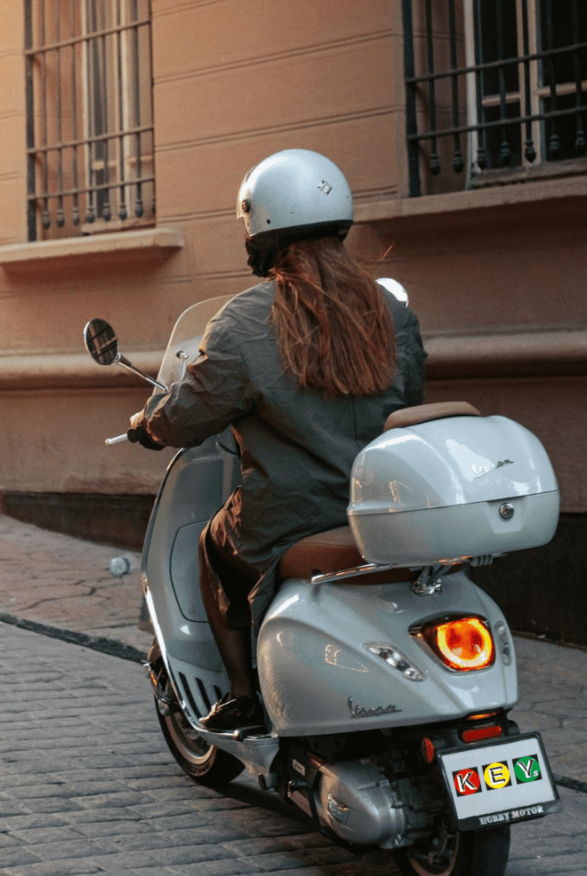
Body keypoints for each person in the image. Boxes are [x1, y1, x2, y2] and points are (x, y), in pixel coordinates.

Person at [128, 149, 426, 735]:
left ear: (259, 230)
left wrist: (149, 424)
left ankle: (243, 695)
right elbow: (409, 395)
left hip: (294, 512)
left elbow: (191, 413)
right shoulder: (390, 309)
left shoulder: (245, 321)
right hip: (383, 502)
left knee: (215, 548)